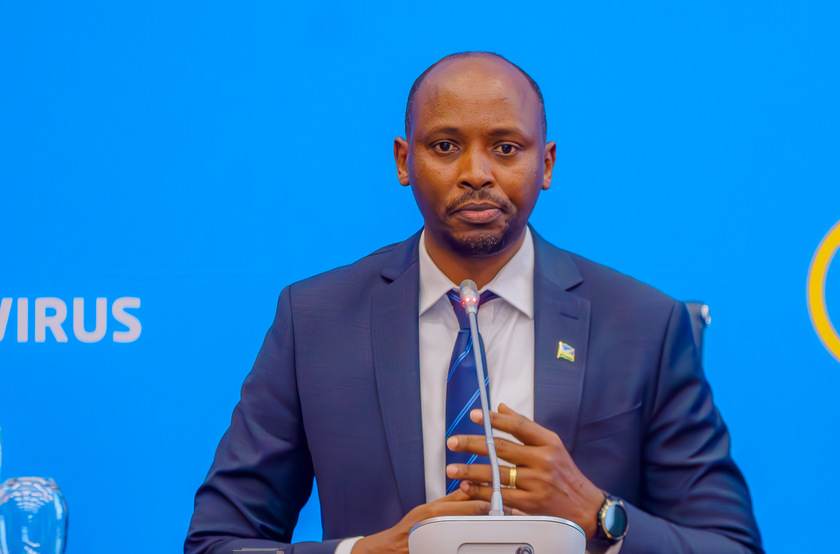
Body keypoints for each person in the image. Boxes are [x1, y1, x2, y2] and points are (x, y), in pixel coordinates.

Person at [184, 52, 763, 554]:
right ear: (404, 161)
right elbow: (217, 542)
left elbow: (730, 546)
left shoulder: (643, 325)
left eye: (506, 148)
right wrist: (365, 553)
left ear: (547, 164)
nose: (476, 173)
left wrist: (599, 516)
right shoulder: (316, 320)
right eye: (445, 146)